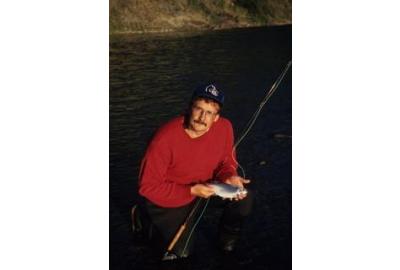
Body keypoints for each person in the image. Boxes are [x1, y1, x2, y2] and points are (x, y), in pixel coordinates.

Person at [136, 83, 253, 263]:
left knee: (244, 198)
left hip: (207, 187)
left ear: (216, 117)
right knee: (182, 255)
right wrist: (190, 191)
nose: (201, 117)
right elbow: (147, 187)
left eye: (209, 113)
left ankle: (226, 244)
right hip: (174, 194)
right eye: (198, 109)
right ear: (189, 108)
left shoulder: (225, 127)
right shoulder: (164, 139)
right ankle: (142, 215)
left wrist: (229, 176)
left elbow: (226, 162)